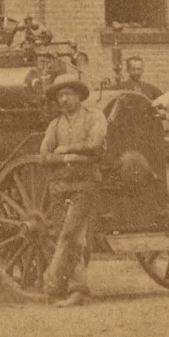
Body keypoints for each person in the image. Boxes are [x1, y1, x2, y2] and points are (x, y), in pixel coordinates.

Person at [40, 73, 108, 308]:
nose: (64, 99)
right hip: (59, 186)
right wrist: (73, 157)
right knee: (67, 236)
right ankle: (75, 289)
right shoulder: (55, 124)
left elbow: (95, 145)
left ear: (79, 95)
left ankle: (53, 283)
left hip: (84, 184)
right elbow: (44, 156)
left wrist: (66, 150)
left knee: (71, 233)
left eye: (68, 94)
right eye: (60, 95)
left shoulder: (94, 117)